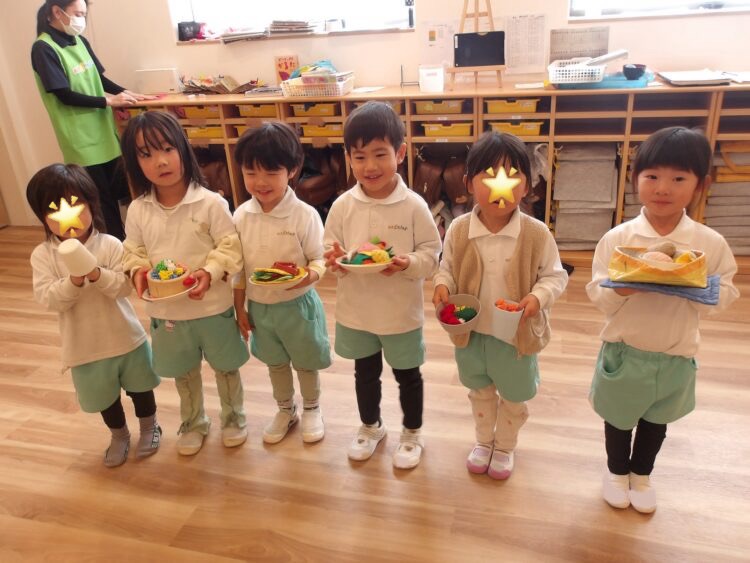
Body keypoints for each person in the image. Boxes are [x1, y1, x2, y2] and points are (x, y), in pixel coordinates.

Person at [586, 126, 739, 513]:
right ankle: (616, 472)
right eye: (652, 176)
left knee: (657, 420)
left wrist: (693, 288)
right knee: (618, 418)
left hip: (675, 351)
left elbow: (726, 292)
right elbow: (597, 291)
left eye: (678, 179)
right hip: (624, 349)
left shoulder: (708, 244)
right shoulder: (619, 239)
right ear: (635, 179)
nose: (663, 188)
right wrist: (623, 288)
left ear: (701, 185)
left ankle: (642, 474)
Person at [432, 131, 568, 480]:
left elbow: (555, 276)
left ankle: (505, 445)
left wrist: (538, 297)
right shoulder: (459, 229)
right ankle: (483, 441)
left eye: (512, 175)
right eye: (490, 175)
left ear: (527, 186)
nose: (501, 185)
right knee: (479, 390)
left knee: (514, 394)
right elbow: (446, 267)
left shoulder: (536, 234)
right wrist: (442, 285)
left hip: (515, 337)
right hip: (472, 333)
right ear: (468, 183)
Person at [120, 111, 249, 456]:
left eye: (167, 148)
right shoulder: (138, 210)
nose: (160, 161)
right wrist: (138, 271)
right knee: (184, 374)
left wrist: (210, 271)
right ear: (135, 163)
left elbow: (230, 247)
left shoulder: (210, 203)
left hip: (213, 308)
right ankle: (193, 422)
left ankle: (234, 417)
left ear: (182, 148)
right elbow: (133, 250)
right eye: (146, 154)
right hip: (169, 313)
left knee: (226, 368)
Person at [324, 101, 442, 469]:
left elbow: (432, 254)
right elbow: (330, 250)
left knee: (408, 375)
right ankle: (370, 425)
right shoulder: (343, 206)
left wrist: (409, 264)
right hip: (357, 312)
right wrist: (336, 261)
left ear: (400, 154)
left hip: (400, 313)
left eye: (380, 154)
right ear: (348, 158)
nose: (370, 166)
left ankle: (412, 431)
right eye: (359, 157)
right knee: (365, 373)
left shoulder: (413, 205)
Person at [27, 163, 161, 467]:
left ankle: (150, 426)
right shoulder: (43, 256)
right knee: (104, 397)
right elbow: (48, 298)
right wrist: (73, 281)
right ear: (42, 217)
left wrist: (96, 273)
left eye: (75, 205)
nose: (68, 217)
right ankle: (119, 435)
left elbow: (123, 287)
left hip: (125, 337)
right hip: (85, 347)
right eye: (54, 210)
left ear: (91, 203)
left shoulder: (110, 245)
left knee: (141, 387)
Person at [232, 123, 332, 444]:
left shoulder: (304, 215)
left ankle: (312, 407)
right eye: (251, 173)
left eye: (271, 172)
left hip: (298, 305)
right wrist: (239, 308)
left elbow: (320, 259)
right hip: (260, 307)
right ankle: (285, 409)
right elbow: (237, 269)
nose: (260, 182)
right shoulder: (241, 216)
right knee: (275, 362)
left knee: (305, 361)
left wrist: (308, 276)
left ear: (292, 170)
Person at [32, 0, 155, 240]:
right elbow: (63, 94)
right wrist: (109, 101)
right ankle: (114, 248)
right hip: (80, 140)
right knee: (101, 200)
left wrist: (128, 93)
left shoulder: (79, 41)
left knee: (120, 192)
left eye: (84, 14)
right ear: (57, 12)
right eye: (77, 13)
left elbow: (100, 80)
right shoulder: (43, 48)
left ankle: (129, 242)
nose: (81, 20)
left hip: (104, 133)